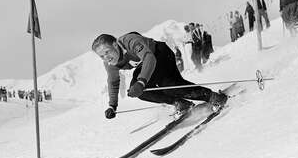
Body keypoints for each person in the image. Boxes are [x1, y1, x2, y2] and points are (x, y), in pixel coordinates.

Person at [92, 32, 228, 119]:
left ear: (115, 45)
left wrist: (141, 82)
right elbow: (113, 82)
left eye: (107, 52)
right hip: (144, 67)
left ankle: (213, 96)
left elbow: (149, 58)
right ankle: (180, 103)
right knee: (140, 92)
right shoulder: (110, 63)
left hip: (160, 54)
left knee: (169, 85)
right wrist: (112, 106)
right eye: (102, 56)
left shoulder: (130, 41)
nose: (106, 57)